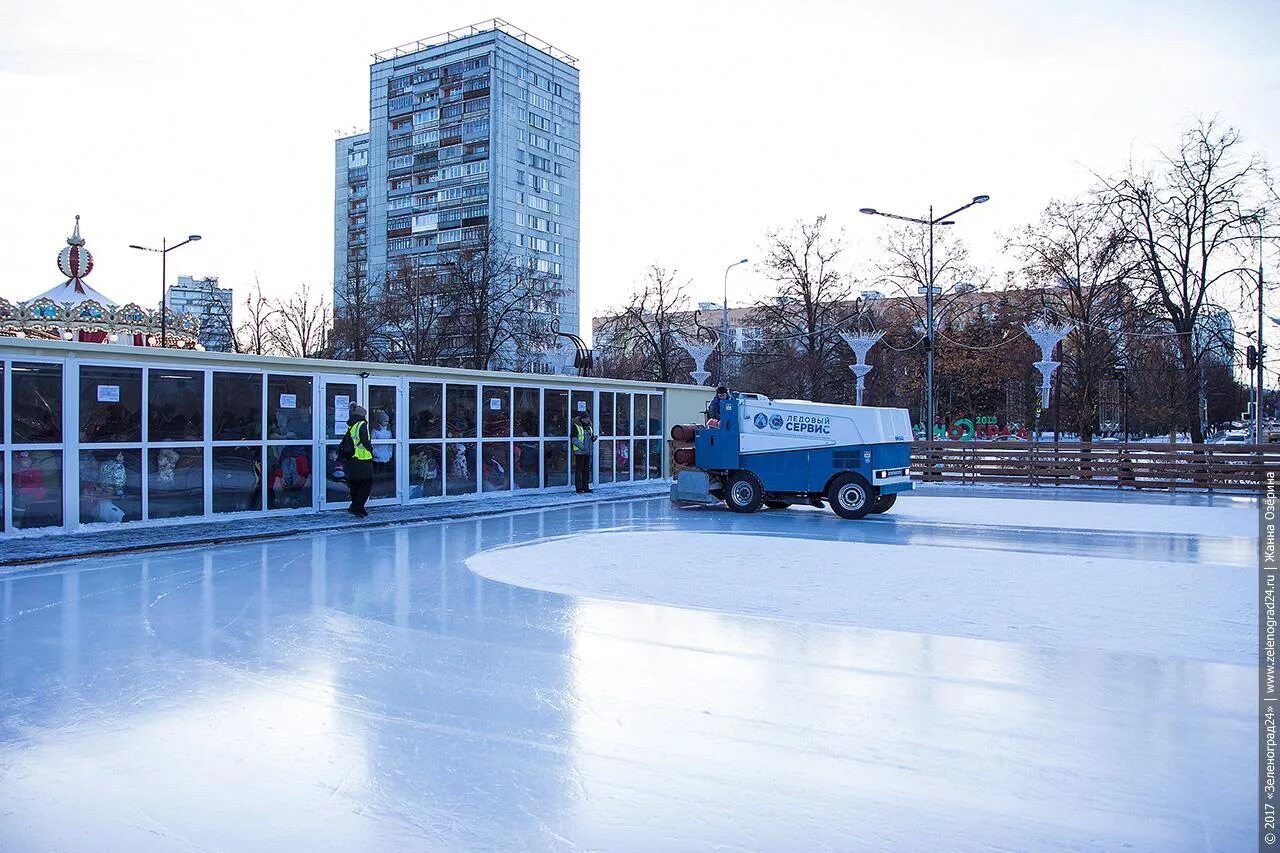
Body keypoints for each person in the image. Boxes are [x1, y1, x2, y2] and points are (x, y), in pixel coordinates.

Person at [343, 404, 374, 517]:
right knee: (366, 483)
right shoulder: (362, 424)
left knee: (355, 483)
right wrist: (371, 450)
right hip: (362, 458)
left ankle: (355, 506)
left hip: (352, 458)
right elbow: (365, 441)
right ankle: (357, 507)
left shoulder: (351, 425)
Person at [572, 413, 597, 493]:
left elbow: (589, 438)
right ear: (582, 419)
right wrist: (583, 447)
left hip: (587, 452)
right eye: (586, 418)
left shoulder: (589, 427)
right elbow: (574, 439)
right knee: (579, 471)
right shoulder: (576, 427)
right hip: (579, 452)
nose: (587, 420)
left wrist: (593, 438)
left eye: (588, 418)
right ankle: (578, 488)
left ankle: (585, 487)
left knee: (586, 471)